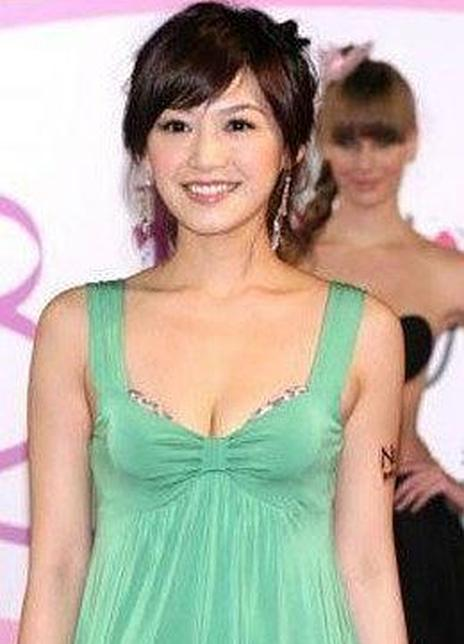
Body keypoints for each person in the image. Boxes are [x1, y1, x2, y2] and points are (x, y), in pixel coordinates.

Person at [18, 5, 407, 643]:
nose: (205, 155)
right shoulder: (75, 329)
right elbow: (57, 569)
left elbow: (366, 566)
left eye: (238, 124)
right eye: (176, 124)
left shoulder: (364, 331)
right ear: (143, 150)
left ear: (292, 148)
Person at [297, 44, 464, 644]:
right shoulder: (286, 259)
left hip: (411, 532)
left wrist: (458, 491)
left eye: (384, 139)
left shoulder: (445, 273)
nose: (366, 160)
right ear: (323, 143)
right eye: (348, 140)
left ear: (412, 142)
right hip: (301, 525)